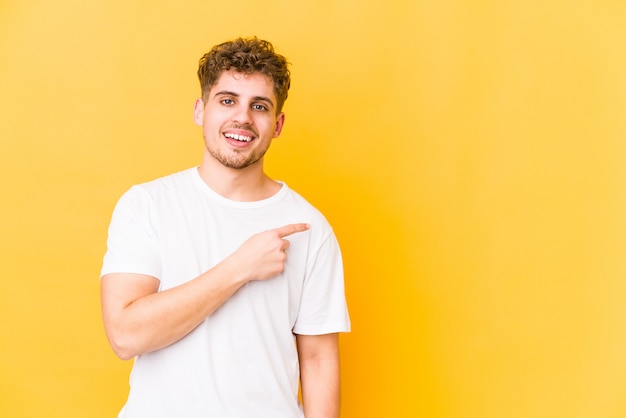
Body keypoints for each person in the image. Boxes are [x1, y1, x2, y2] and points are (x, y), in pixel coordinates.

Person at [100, 37, 351, 418]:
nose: (243, 119)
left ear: (278, 124)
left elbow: (317, 359)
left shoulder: (310, 228)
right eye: (228, 100)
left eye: (260, 106)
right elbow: (125, 335)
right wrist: (239, 268)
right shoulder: (147, 205)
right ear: (201, 110)